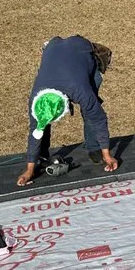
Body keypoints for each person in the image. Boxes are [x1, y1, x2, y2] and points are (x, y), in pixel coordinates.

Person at [16, 36, 118, 187]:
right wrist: (29, 170)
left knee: (90, 107)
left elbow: (98, 118)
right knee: (42, 123)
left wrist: (107, 155)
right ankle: (40, 157)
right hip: (54, 48)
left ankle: (95, 147)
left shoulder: (80, 91)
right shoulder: (36, 99)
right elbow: (35, 130)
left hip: (81, 49)